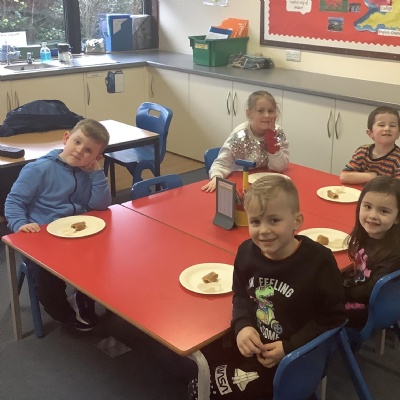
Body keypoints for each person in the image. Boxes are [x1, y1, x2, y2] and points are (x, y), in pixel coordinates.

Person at [189, 176, 346, 399]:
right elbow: (241, 295)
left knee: (205, 390)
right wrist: (243, 325)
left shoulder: (318, 262)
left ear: (297, 221)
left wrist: (290, 346)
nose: (263, 230)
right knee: (198, 374)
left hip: (296, 358)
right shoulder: (246, 252)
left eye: (274, 220)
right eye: (255, 222)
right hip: (255, 348)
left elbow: (334, 317)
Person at [5, 119, 111, 331]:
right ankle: (62, 313)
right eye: (77, 142)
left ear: (96, 157)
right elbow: (14, 202)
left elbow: (100, 205)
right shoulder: (39, 169)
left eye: (88, 150)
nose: (79, 151)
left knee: (104, 255)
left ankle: (83, 297)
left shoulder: (88, 172)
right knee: (45, 276)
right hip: (41, 236)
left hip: (76, 233)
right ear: (66, 138)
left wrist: (97, 173)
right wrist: (20, 224)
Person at [201, 91, 289, 193]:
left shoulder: (277, 132)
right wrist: (216, 177)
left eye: (271, 111)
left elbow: (279, 167)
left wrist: (271, 140)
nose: (266, 115)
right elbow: (221, 163)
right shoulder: (240, 135)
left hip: (266, 186)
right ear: (249, 113)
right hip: (241, 184)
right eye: (260, 111)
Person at [342, 176, 400, 328]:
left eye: (384, 211)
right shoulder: (369, 236)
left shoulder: (394, 254)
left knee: (318, 305)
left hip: (368, 310)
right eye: (367, 206)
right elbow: (359, 269)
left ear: (397, 218)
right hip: (361, 294)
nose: (373, 215)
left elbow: (370, 290)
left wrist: (341, 291)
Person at [340, 106, 400, 185]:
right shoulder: (362, 151)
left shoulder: (397, 159)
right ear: (370, 133)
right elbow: (344, 176)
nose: (387, 128)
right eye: (381, 125)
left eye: (392, 125)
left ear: (398, 133)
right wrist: (372, 176)